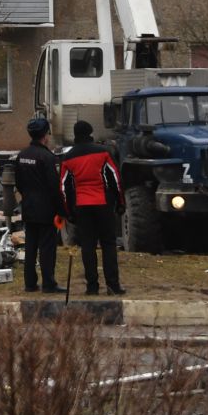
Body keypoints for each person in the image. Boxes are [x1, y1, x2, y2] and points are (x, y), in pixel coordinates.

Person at [58, 119, 124, 296]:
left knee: (88, 246)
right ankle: (113, 286)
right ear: (90, 132)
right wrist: (120, 203)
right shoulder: (103, 152)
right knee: (108, 244)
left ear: (75, 135)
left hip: (82, 206)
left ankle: (92, 286)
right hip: (103, 204)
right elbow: (115, 179)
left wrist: (68, 212)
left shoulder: (69, 157)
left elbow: (64, 188)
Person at [13, 115, 64, 293]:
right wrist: (61, 210)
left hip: (28, 208)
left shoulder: (22, 155)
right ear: (45, 135)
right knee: (47, 248)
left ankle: (30, 283)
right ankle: (49, 283)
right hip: (46, 210)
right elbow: (54, 186)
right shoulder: (47, 157)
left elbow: (18, 182)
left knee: (31, 247)